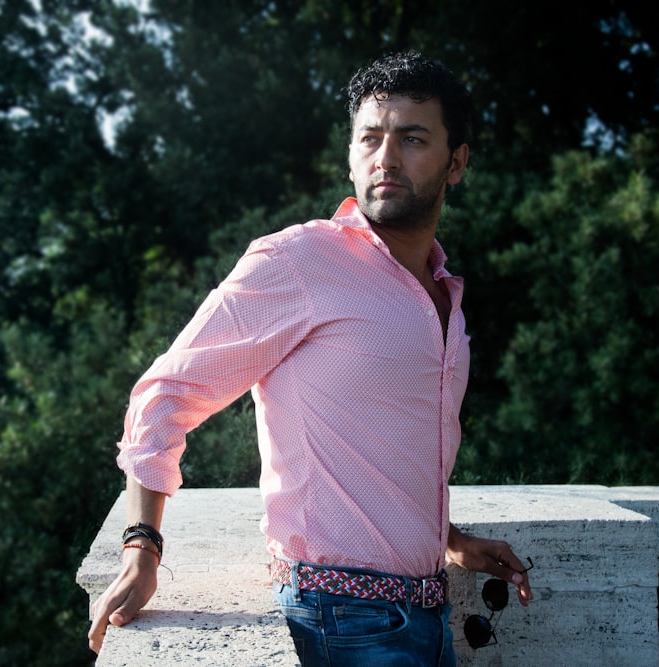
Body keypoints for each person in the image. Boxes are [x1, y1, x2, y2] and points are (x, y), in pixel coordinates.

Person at [88, 50, 534, 666]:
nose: (386, 158)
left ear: (456, 162)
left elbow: (382, 457)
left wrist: (448, 540)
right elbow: (165, 395)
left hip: (428, 618)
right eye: (370, 138)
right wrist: (142, 545)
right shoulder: (299, 264)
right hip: (339, 621)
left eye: (412, 139)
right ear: (350, 153)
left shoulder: (445, 294)